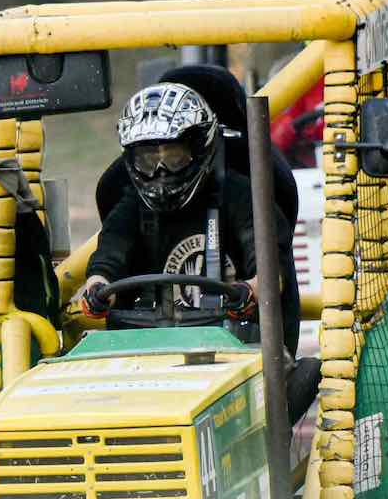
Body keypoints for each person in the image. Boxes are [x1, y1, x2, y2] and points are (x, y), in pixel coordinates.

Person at [73, 76, 301, 354]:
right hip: (147, 351)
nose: (161, 172)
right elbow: (109, 258)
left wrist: (251, 290)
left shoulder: (242, 195)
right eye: (148, 160)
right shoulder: (132, 204)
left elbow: (271, 270)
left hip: (237, 352)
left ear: (199, 148)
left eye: (173, 156)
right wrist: (97, 289)